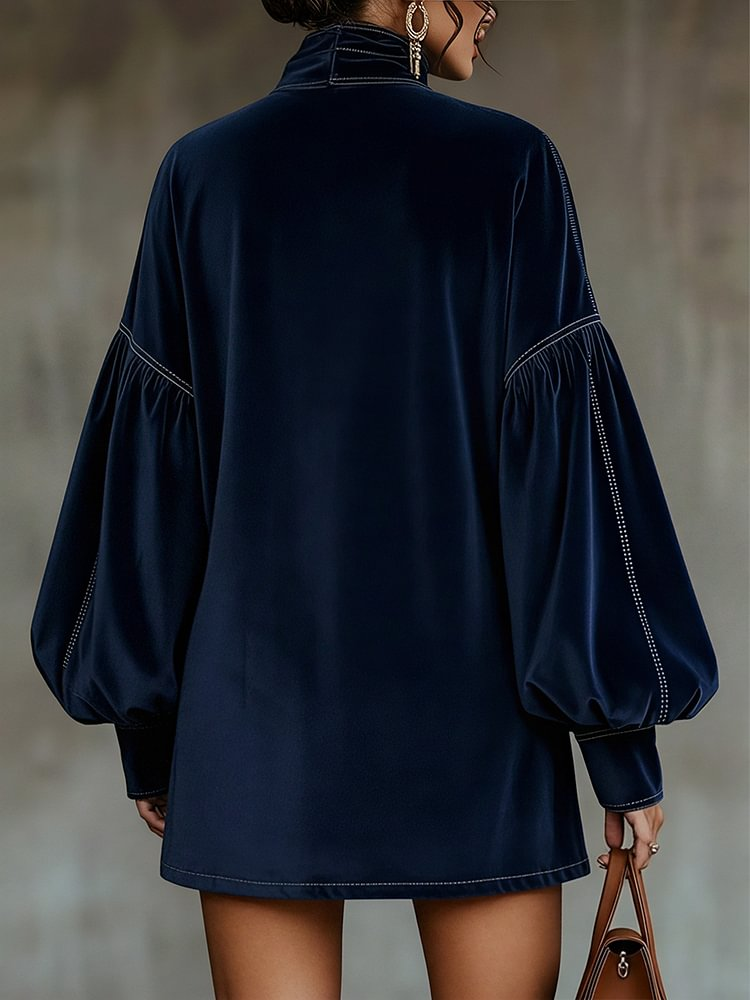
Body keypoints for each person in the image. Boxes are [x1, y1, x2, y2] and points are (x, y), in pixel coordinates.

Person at [29, 1, 719, 997]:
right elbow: (567, 480)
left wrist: (151, 734)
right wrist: (622, 756)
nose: (493, 3)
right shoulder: (511, 167)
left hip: (257, 734)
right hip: (478, 731)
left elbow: (150, 479)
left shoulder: (202, 174)